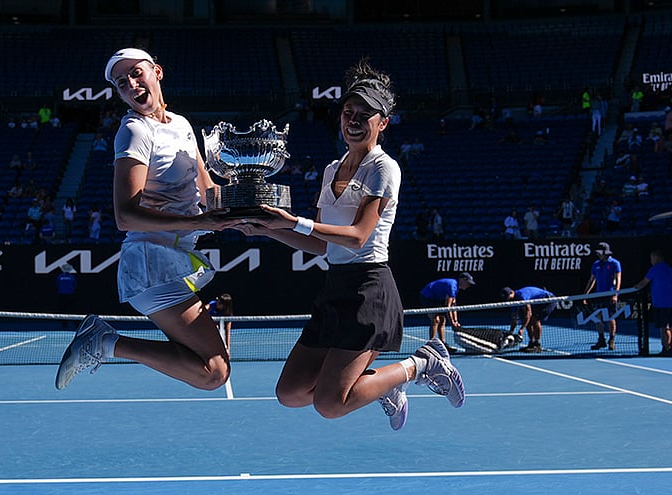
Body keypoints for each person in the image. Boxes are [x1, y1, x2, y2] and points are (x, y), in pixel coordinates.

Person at [225, 58, 465, 432]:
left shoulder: (384, 167)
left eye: (365, 115)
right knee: (290, 392)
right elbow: (321, 245)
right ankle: (380, 385)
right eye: (348, 112)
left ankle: (422, 364)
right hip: (334, 289)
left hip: (369, 291)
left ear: (382, 123)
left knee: (330, 404)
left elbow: (357, 236)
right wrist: (266, 230)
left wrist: (291, 220)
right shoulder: (331, 170)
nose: (353, 121)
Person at [55, 48, 238, 394]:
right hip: (150, 264)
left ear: (157, 72)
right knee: (214, 372)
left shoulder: (181, 124)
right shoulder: (134, 131)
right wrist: (199, 223)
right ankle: (105, 342)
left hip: (174, 259)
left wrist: (247, 202)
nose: (131, 84)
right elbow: (125, 215)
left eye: (137, 74)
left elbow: (208, 191)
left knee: (213, 370)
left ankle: (106, 342)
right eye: (122, 83)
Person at [632, 250, 672, 355]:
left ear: (657, 258)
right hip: (670, 303)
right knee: (671, 326)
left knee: (664, 327)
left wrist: (635, 288)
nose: (651, 261)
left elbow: (644, 283)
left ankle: (666, 348)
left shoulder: (654, 269)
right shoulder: (670, 269)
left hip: (661, 304)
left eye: (652, 258)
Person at [419, 273, 475, 351]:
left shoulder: (455, 287)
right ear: (462, 280)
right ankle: (431, 345)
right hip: (427, 296)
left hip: (436, 298)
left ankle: (442, 344)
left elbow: (453, 306)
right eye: (468, 283)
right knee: (436, 320)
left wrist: (456, 321)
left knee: (442, 320)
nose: (468, 285)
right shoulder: (452, 286)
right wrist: (452, 323)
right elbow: (448, 307)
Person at [581, 242, 621, 350]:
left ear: (606, 253)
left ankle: (611, 340)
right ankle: (601, 339)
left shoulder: (615, 264)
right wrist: (585, 295)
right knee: (597, 317)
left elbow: (618, 279)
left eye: (600, 253)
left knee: (610, 318)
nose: (598, 254)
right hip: (599, 295)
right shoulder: (596, 264)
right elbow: (592, 280)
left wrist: (615, 294)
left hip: (610, 295)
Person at [504, 285, 556, 353]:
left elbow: (529, 314)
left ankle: (537, 344)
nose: (508, 299)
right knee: (527, 320)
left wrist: (522, 328)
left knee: (535, 319)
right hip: (537, 303)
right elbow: (514, 317)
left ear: (511, 292)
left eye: (508, 296)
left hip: (548, 300)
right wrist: (511, 331)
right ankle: (532, 342)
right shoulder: (513, 301)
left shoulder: (522, 296)